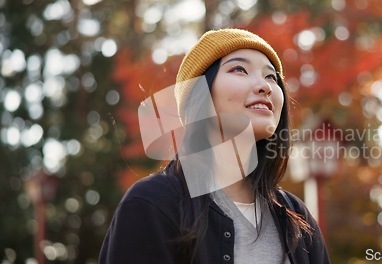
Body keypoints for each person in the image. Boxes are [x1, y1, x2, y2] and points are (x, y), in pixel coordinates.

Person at [99, 28, 330, 264]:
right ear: (200, 96)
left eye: (271, 76)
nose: (265, 86)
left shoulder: (297, 217)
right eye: (239, 69)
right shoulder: (154, 203)